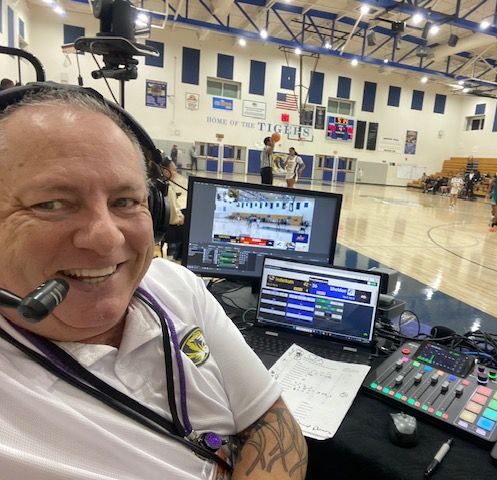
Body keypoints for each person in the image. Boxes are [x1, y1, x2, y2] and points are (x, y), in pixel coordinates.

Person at [0, 84, 307, 479]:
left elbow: (270, 421)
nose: (107, 238)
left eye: (125, 201)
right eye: (51, 204)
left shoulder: (174, 284)